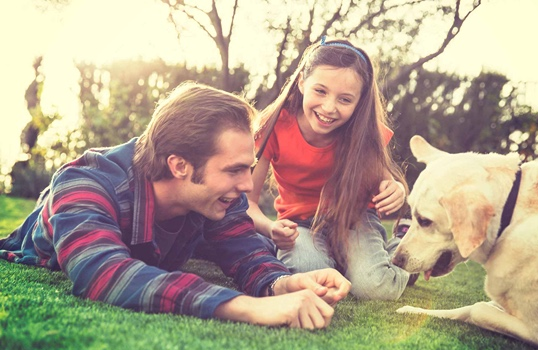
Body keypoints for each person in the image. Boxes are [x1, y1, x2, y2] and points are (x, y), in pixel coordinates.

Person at [0, 82, 351, 329]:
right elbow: (103, 275)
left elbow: (245, 252)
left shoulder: (219, 195)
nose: (247, 185)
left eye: (248, 167)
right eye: (234, 170)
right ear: (179, 165)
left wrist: (281, 284)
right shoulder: (85, 183)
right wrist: (251, 307)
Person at [247, 37, 415, 301]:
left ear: (360, 101)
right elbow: (247, 203)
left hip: (354, 220)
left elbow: (387, 181)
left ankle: (401, 244)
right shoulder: (272, 125)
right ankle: (337, 258)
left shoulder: (365, 132)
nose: (329, 108)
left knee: (375, 289)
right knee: (311, 277)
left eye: (345, 99)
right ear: (302, 81)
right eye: (320, 91)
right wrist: (271, 229)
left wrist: (395, 190)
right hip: (299, 225)